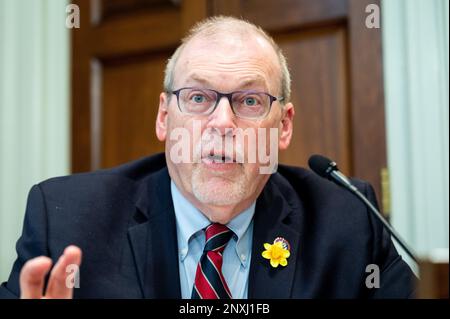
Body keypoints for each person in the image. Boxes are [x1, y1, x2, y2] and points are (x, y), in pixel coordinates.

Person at [0, 16, 416, 299]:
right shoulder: (68, 221)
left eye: (250, 100)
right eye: (198, 97)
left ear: (284, 125)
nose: (222, 122)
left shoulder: (348, 220)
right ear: (165, 118)